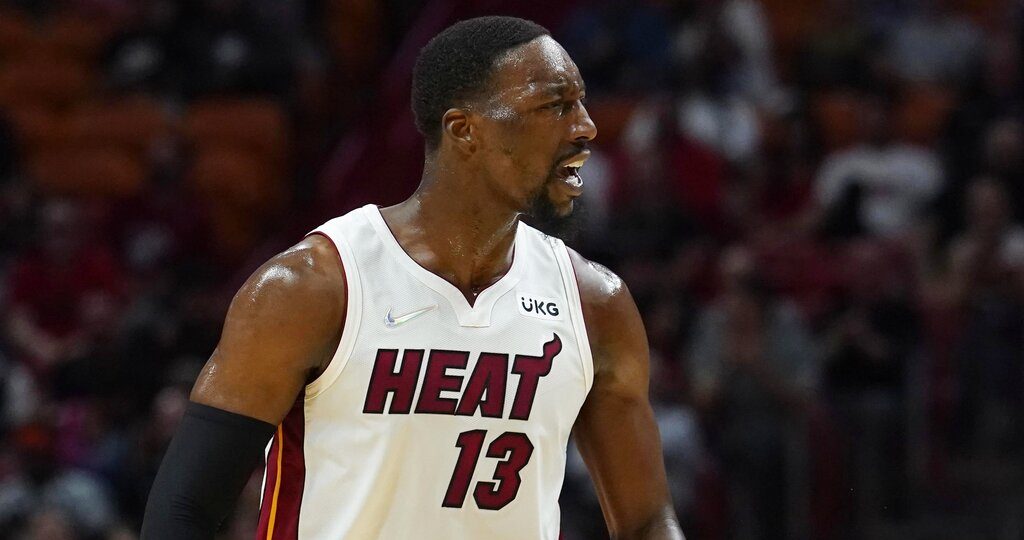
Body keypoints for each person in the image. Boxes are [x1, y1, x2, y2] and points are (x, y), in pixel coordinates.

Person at [141, 16, 683, 540]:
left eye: (581, 103)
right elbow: (185, 509)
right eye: (554, 106)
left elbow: (646, 523)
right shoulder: (313, 288)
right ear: (464, 130)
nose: (585, 126)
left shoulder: (595, 304)